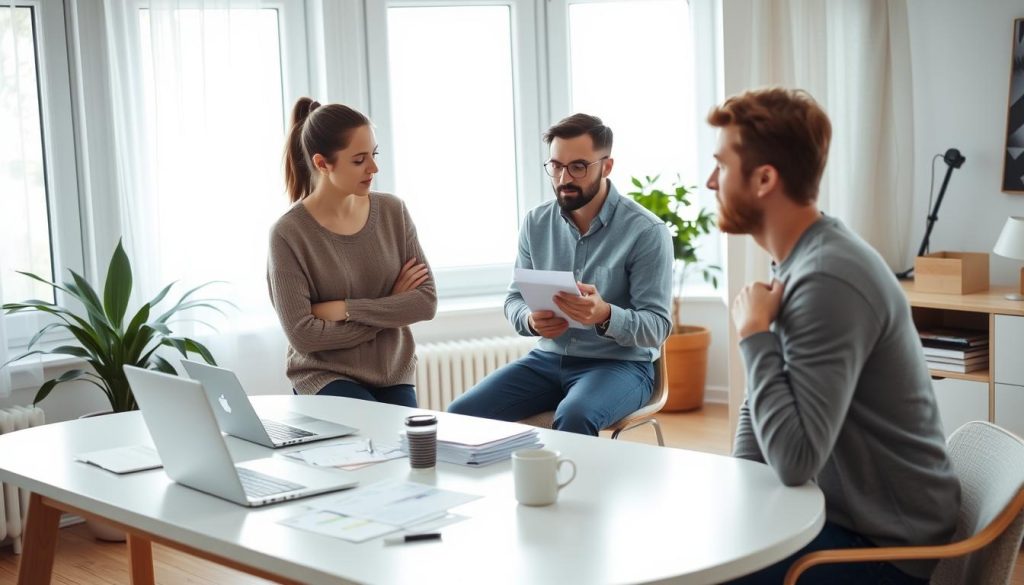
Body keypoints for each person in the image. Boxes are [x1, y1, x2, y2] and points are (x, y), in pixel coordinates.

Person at [710, 88, 960, 584]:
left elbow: (796, 461)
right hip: (842, 515)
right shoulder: (796, 258)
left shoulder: (826, 279)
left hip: (887, 547)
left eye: (721, 164)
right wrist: (739, 496)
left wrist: (754, 335)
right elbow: (764, 413)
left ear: (764, 179)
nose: (710, 180)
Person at [447, 114, 673, 436]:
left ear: (606, 166)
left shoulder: (646, 231)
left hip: (621, 365)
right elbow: (514, 298)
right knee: (460, 415)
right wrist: (529, 319)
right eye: (556, 166)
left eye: (578, 166)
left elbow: (658, 327)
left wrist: (605, 315)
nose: (564, 178)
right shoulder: (535, 223)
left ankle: (574, 488)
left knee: (575, 416)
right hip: (547, 360)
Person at [267, 98, 436, 407]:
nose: (374, 167)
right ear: (322, 163)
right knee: (368, 437)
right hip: (324, 374)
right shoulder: (288, 234)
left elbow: (425, 302)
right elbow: (304, 336)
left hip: (391, 373)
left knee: (409, 449)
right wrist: (390, 306)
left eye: (374, 154)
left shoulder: (393, 211)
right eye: (359, 160)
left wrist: (345, 310)